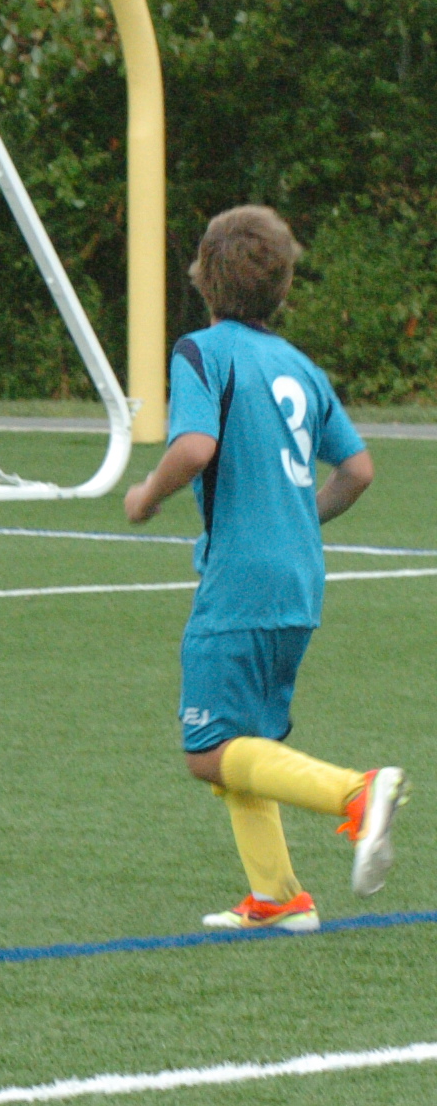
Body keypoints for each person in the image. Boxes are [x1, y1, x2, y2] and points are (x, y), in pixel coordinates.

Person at [123, 205, 405, 932]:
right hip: (299, 580)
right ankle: (278, 898)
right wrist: (295, 519)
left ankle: (356, 792)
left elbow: (193, 448)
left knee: (208, 751)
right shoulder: (300, 367)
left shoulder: (202, 351)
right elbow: (358, 470)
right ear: (282, 287)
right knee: (245, 737)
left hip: (242, 580)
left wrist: (146, 496)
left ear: (202, 277)